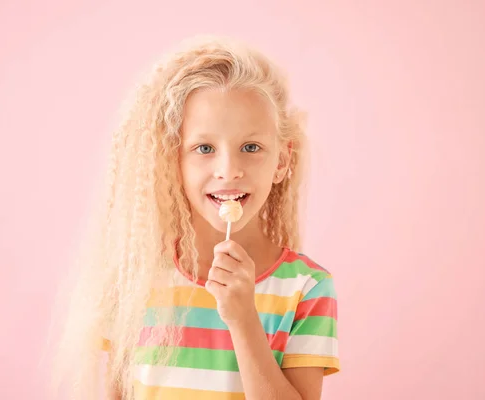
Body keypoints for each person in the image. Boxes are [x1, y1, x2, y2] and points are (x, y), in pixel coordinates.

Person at [53, 35, 340, 400]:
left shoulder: (307, 288)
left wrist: (244, 321)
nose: (228, 170)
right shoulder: (135, 279)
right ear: (173, 162)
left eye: (251, 147)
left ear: (281, 161)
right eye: (204, 148)